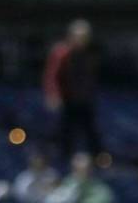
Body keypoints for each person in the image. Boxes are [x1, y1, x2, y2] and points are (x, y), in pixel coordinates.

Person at [43, 19, 102, 162]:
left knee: (91, 134)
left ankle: (95, 163)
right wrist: (53, 95)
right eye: (80, 36)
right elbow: (52, 75)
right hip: (66, 100)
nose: (83, 40)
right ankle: (63, 162)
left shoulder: (90, 53)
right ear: (71, 36)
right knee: (65, 134)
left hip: (84, 99)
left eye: (85, 36)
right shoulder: (61, 52)